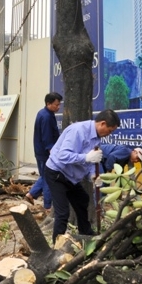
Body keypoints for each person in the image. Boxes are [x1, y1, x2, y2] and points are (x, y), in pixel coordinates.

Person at [44, 109, 121, 243]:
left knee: (82, 199)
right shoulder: (78, 131)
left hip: (71, 176)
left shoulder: (96, 138)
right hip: (57, 173)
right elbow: (63, 156)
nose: (109, 134)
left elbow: (92, 161)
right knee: (62, 213)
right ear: (102, 124)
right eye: (110, 130)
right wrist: (86, 157)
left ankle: (85, 234)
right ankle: (56, 246)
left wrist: (92, 176)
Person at [26, 92, 62, 210]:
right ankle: (47, 206)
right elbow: (46, 137)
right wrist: (52, 151)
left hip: (41, 151)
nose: (58, 107)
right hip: (45, 153)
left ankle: (31, 194)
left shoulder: (45, 113)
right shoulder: (46, 117)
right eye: (56, 105)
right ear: (48, 104)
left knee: (45, 176)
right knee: (48, 178)